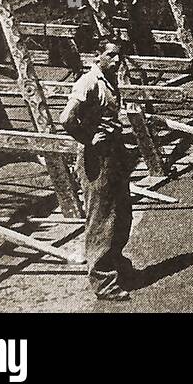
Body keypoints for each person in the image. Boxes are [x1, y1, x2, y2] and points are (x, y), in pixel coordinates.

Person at [60, 41, 134, 302]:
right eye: (111, 55)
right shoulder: (88, 82)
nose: (116, 60)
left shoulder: (110, 80)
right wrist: (87, 138)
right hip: (97, 157)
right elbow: (66, 118)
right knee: (101, 219)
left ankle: (115, 262)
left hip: (114, 153)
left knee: (122, 212)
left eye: (119, 56)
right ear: (97, 56)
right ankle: (103, 281)